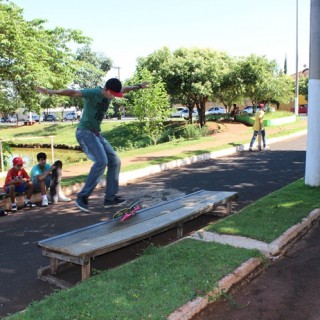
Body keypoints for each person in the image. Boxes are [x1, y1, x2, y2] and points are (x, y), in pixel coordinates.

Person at [35, 78, 149, 212]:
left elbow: (125, 89)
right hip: (84, 133)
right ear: (105, 89)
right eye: (111, 94)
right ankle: (82, 197)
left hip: (96, 134)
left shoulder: (112, 92)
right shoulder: (93, 93)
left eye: (114, 95)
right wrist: (51, 91)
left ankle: (110, 198)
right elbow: (72, 92)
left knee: (115, 161)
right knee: (101, 161)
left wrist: (139, 86)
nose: (112, 97)